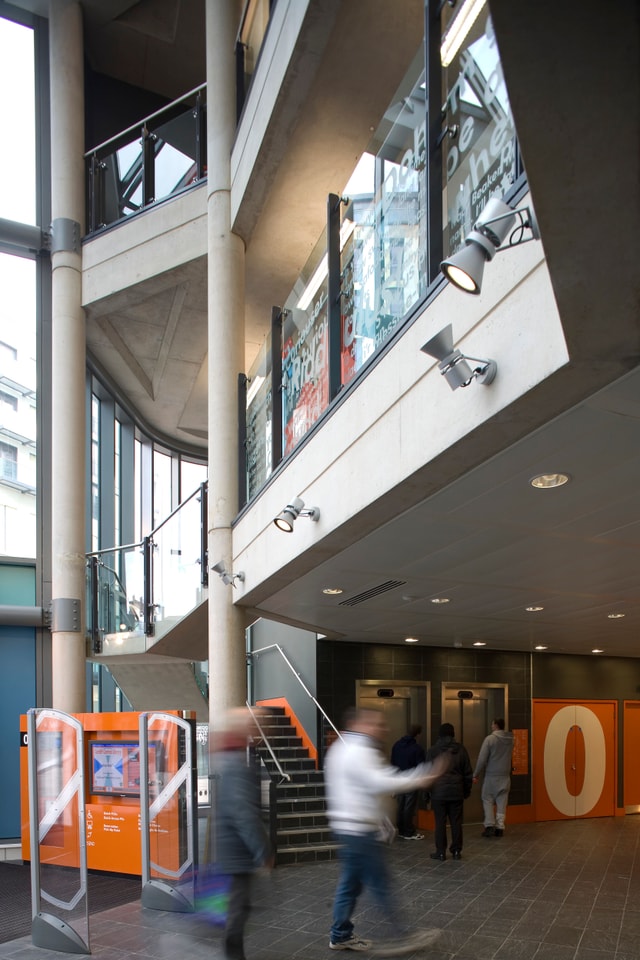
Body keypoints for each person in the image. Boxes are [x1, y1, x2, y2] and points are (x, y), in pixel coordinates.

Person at [325, 706, 446, 952]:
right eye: (377, 724)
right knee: (381, 885)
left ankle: (340, 934)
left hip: (349, 829)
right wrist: (423, 776)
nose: (383, 728)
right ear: (360, 724)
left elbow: (365, 790)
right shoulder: (358, 750)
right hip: (360, 832)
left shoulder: (341, 747)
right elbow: (379, 781)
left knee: (350, 885)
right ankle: (404, 935)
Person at [212, 708, 273, 960]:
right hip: (237, 851)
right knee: (238, 909)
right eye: (256, 725)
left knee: (240, 905)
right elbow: (243, 813)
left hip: (233, 849)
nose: (260, 729)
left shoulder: (231, 761)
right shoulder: (238, 765)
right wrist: (263, 851)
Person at [424, 722, 472, 861]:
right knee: (456, 823)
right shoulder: (461, 750)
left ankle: (440, 852)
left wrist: (426, 793)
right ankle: (456, 851)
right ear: (453, 734)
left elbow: (427, 773)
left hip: (438, 794)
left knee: (440, 823)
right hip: (456, 793)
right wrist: (466, 790)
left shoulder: (433, 751)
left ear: (439, 735)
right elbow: (467, 773)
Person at [473, 718, 515, 838]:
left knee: (487, 799)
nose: (491, 726)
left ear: (496, 725)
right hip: (505, 776)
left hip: (492, 775)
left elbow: (482, 759)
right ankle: (500, 827)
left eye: (492, 724)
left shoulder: (490, 739)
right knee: (502, 801)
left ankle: (489, 826)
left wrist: (476, 774)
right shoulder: (511, 739)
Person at [390, 724, 426, 839]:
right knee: (408, 807)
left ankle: (401, 829)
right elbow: (421, 767)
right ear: (418, 734)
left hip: (399, 779)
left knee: (400, 805)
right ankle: (408, 831)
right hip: (411, 780)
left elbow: (393, 762)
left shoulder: (396, 745)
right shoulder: (417, 749)